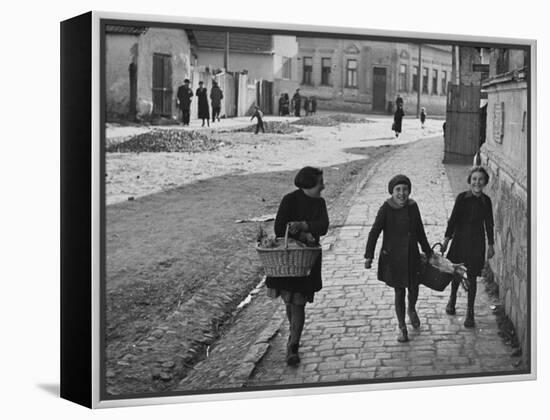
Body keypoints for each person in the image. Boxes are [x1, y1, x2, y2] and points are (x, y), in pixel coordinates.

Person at [266, 167, 329, 365]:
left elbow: (323, 226)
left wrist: (304, 225)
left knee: (298, 303)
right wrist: (301, 235)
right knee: (290, 302)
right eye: (320, 183)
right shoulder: (289, 200)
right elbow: (279, 229)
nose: (323, 186)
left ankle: (293, 344)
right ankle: (293, 337)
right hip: (286, 260)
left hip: (306, 262)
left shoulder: (319, 203)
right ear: (308, 185)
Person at [364, 175, 432, 343]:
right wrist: (369, 255)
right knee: (399, 291)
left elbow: (420, 230)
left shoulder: (413, 207)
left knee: (414, 288)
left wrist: (427, 250)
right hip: (394, 258)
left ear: (409, 190)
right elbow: (374, 232)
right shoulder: (386, 208)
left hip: (412, 256)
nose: (402, 193)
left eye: (405, 189)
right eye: (398, 190)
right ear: (392, 192)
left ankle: (412, 309)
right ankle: (402, 326)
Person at [441, 166, 495, 328]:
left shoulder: (486, 202)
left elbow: (489, 225)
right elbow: (453, 220)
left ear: (485, 182)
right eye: (474, 179)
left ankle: (470, 312)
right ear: (470, 181)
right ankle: (452, 300)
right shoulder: (462, 198)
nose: (477, 182)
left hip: (477, 243)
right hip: (459, 241)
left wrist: (491, 245)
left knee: (471, 276)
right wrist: (446, 240)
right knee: (457, 272)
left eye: (480, 179)